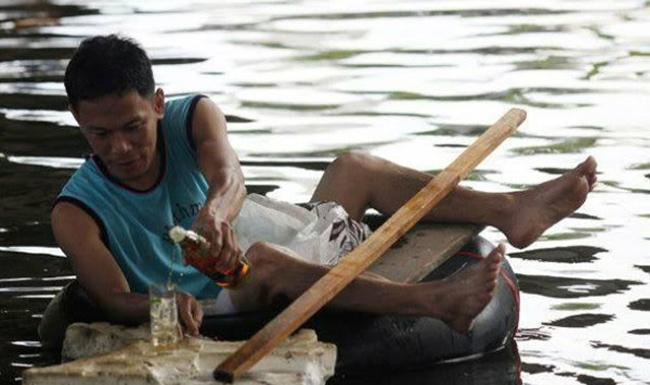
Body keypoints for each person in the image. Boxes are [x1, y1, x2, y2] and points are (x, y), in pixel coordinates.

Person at [51, 34, 597, 340]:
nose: (121, 148)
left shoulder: (192, 117)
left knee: (355, 167)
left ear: (157, 104)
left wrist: (217, 213)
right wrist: (163, 308)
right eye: (100, 134)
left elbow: (230, 177)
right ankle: (432, 302)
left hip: (237, 243)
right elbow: (110, 297)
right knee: (263, 260)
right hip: (212, 302)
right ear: (78, 121)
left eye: (133, 127)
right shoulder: (76, 211)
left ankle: (510, 210)